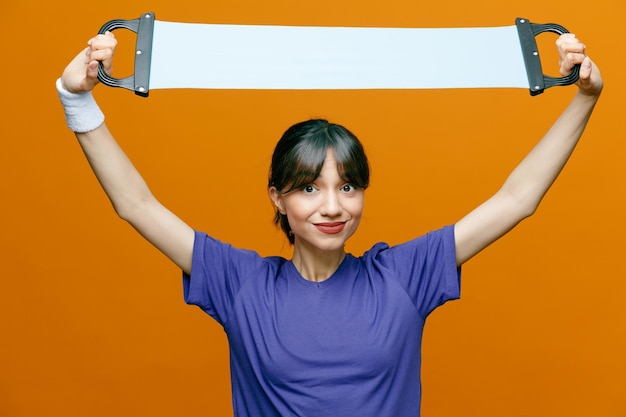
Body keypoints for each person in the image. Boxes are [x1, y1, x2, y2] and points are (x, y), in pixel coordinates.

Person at [57, 29, 602, 417]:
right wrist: (74, 100)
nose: (333, 207)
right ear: (278, 198)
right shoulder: (240, 283)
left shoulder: (403, 277)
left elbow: (517, 198)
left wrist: (584, 97)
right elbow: (137, 206)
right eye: (310, 188)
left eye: (348, 186)